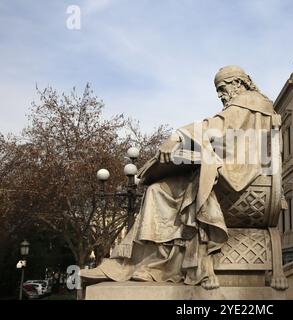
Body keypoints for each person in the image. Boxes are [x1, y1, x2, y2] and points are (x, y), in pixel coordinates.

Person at [81, 66, 279, 289]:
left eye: (222, 88)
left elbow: (212, 127)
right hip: (238, 175)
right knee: (161, 189)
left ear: (238, 83)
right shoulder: (256, 105)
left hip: (236, 180)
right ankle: (153, 262)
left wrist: (175, 136)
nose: (221, 95)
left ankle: (155, 264)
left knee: (158, 191)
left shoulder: (248, 103)